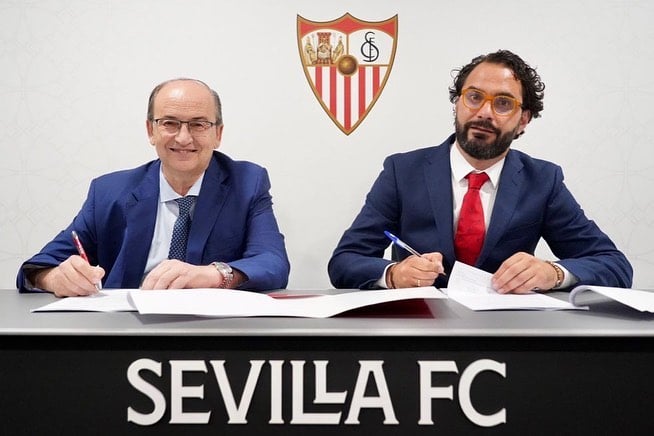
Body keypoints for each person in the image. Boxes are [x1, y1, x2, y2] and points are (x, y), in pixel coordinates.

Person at [328, 50, 633, 293]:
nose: (484, 112)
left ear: (523, 120)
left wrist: (553, 273)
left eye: (503, 103)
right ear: (457, 104)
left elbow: (614, 265)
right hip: (420, 332)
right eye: (474, 97)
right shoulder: (402, 171)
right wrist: (393, 274)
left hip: (506, 334)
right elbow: (344, 261)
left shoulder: (542, 181)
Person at [17, 78, 290, 296]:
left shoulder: (247, 183)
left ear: (217, 134)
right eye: (170, 123)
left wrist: (212, 274)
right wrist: (55, 278)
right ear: (151, 131)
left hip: (211, 331)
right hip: (126, 330)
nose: (183, 138)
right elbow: (36, 267)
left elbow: (272, 262)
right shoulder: (109, 192)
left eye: (198, 124)